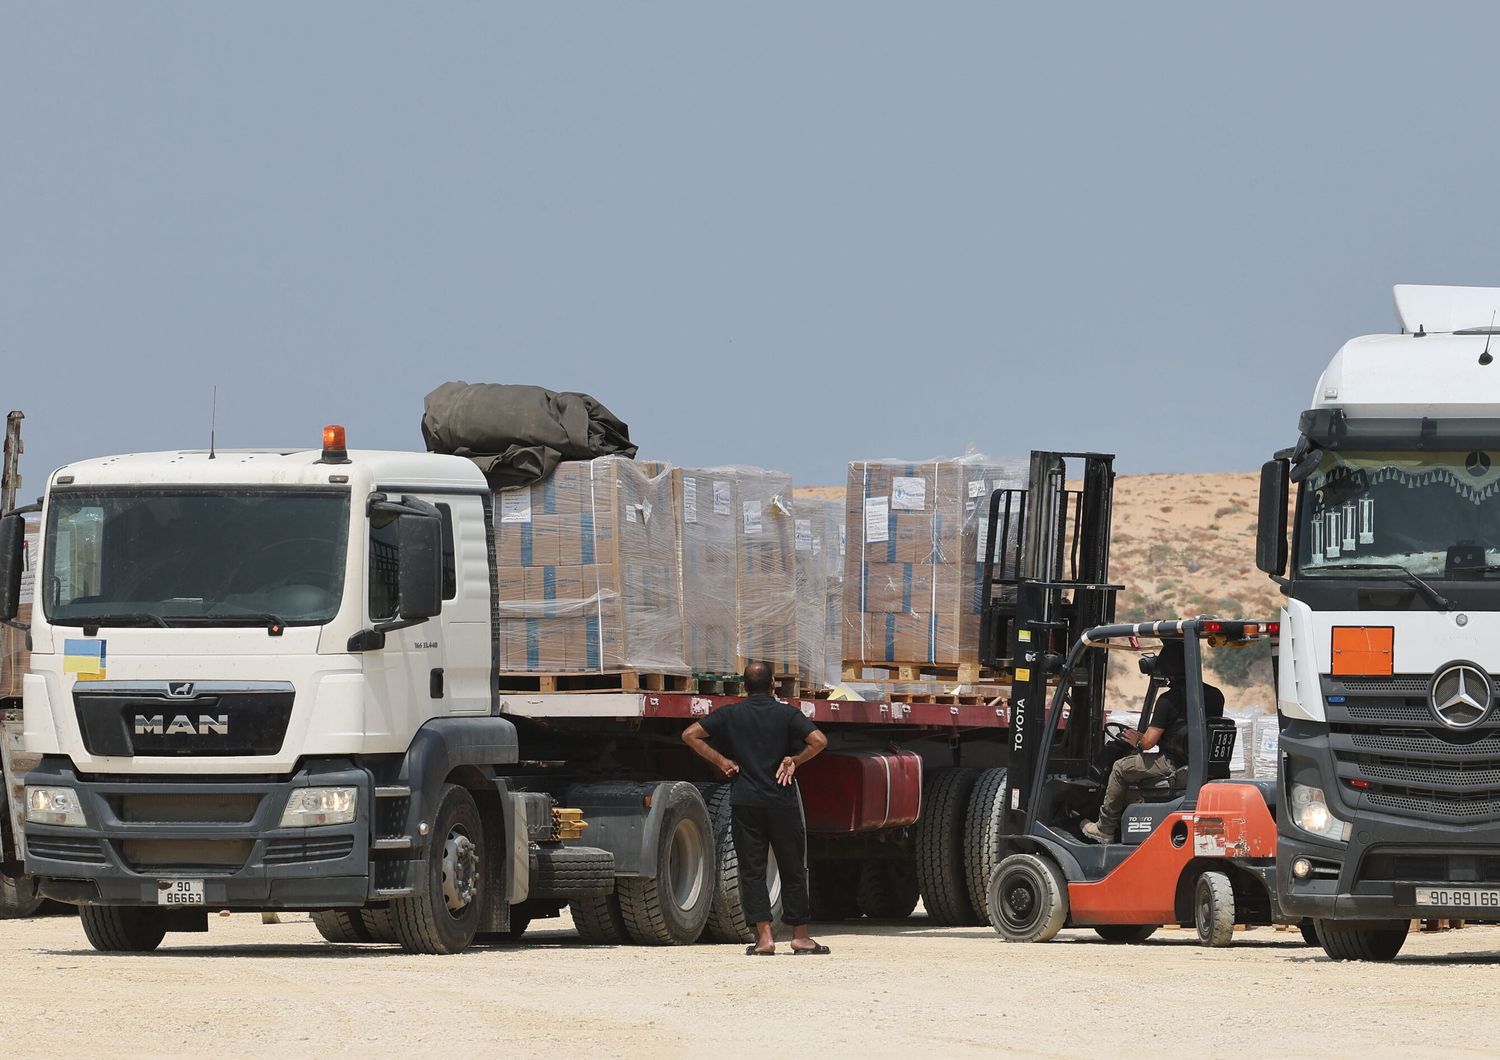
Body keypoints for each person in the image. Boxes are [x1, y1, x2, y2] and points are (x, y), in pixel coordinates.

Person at [681, 660, 830, 955]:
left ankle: (764, 939)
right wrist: (795, 760)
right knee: (792, 867)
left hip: (746, 800)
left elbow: (690, 735)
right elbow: (819, 741)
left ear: (744, 687)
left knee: (752, 870)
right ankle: (800, 936)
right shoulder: (787, 714)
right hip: (781, 801)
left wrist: (722, 762)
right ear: (773, 684)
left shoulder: (730, 714)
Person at [1082, 639, 1225, 843]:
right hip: (1199, 761)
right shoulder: (1215, 695)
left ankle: (1104, 827)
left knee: (1121, 768)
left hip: (1173, 762)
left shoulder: (1168, 700)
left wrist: (1137, 740)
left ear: (1167, 667)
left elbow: (1148, 743)